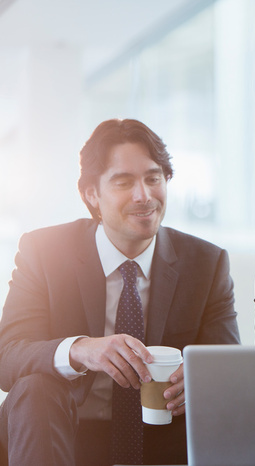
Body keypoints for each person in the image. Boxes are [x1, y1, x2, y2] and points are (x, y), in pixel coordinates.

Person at [0, 118, 240, 466]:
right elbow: (7, 357)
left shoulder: (206, 262)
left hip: (162, 438)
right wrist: (81, 350)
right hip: (60, 436)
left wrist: (200, 382)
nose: (144, 195)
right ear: (92, 194)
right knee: (36, 386)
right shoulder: (45, 251)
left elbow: (227, 367)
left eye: (153, 178)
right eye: (124, 182)